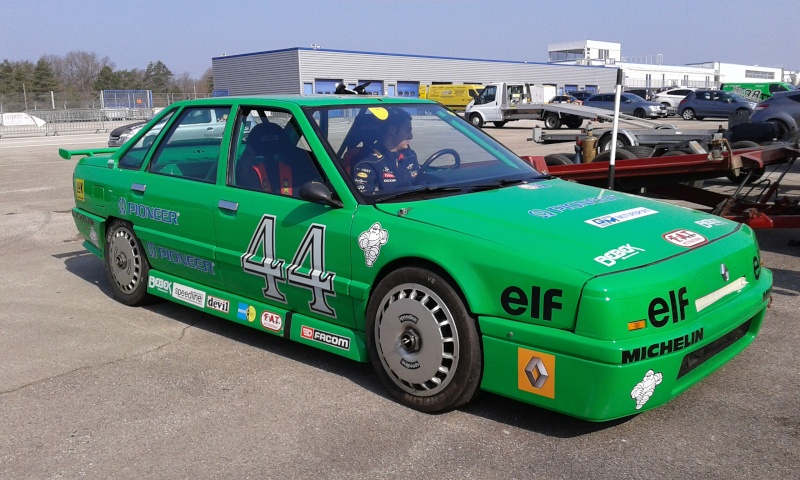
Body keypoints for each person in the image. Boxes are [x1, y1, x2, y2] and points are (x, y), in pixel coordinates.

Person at [351, 108, 419, 193]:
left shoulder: (410, 156)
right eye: (407, 130)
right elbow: (365, 201)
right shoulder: (369, 163)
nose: (411, 136)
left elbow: (422, 183)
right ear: (392, 130)